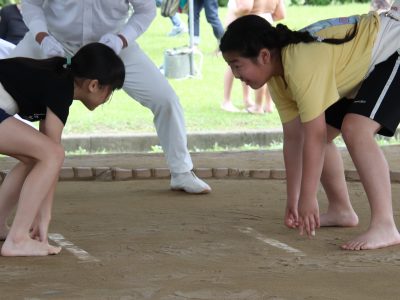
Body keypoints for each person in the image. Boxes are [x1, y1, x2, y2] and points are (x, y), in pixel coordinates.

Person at [220, 7, 400, 250]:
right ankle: (341, 209)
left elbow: (312, 137)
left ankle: (385, 225)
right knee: (322, 132)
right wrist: (293, 200)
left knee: (356, 128)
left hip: (392, 47)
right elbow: (295, 138)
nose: (235, 74)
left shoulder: (300, 62)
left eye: (237, 65)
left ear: (264, 56)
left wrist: (308, 197)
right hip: (361, 64)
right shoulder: (277, 77)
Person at [14, 0, 211, 194]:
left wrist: (121, 39)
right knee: (3, 84)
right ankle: (37, 164)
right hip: (54, 40)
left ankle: (182, 171)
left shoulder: (117, 43)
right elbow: (31, 4)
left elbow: (146, 9)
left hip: (112, 47)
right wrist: (42, 37)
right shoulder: (46, 39)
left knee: (165, 99)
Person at [0, 42, 125, 256]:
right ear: (94, 85)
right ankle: (18, 240)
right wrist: (44, 215)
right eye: (110, 90)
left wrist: (43, 213)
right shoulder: (61, 88)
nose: (108, 98)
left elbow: (45, 156)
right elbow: (53, 156)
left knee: (37, 156)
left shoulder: (58, 76)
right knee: (52, 154)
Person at [220, 0, 285, 113]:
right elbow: (281, 14)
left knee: (252, 65)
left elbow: (245, 7)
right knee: (267, 67)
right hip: (266, 23)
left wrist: (233, 14)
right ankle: (266, 104)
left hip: (248, 28)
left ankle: (256, 105)